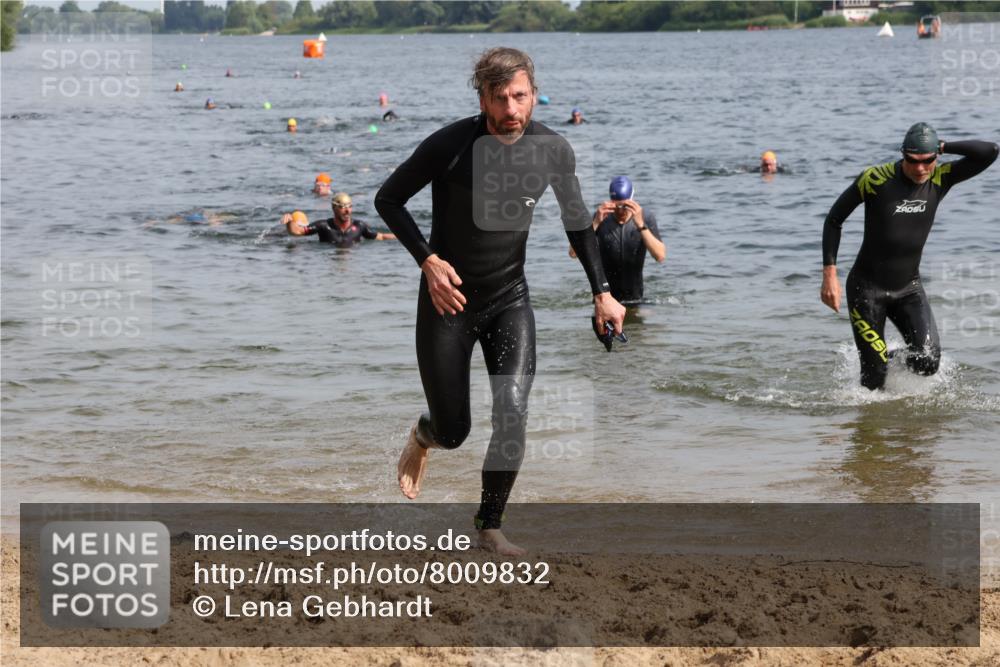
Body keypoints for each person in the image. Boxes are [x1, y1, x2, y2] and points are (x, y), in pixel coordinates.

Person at [374, 47, 624, 556]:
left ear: (533, 94)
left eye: (520, 96)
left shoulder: (553, 150)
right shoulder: (451, 145)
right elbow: (388, 199)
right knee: (454, 431)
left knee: (512, 412)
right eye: (500, 97)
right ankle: (423, 436)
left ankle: (489, 526)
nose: (512, 108)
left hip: (510, 297)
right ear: (483, 98)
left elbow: (577, 223)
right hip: (448, 303)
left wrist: (602, 293)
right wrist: (427, 260)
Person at [820, 122, 997, 390]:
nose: (921, 168)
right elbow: (834, 220)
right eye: (913, 161)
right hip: (866, 290)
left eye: (928, 160)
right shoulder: (875, 179)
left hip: (909, 289)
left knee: (928, 361)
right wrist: (829, 275)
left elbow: (990, 151)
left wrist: (943, 146)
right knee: (873, 379)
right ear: (903, 154)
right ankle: (874, 369)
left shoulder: (941, 178)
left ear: (936, 156)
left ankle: (886, 358)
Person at [569, 176, 665, 306]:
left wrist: (641, 225)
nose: (620, 210)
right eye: (616, 205)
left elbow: (660, 256)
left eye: (625, 206)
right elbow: (573, 253)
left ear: (632, 200)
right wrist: (595, 223)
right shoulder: (600, 217)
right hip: (605, 300)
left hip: (635, 299)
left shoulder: (645, 218)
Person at [283, 194, 396, 246]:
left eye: (349, 207)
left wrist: (402, 236)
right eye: (342, 207)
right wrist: (289, 222)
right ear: (334, 208)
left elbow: (381, 236)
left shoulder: (359, 226)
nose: (347, 211)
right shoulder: (323, 226)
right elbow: (297, 232)